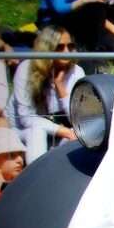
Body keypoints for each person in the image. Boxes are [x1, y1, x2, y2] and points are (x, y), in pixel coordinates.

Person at [8, 26, 80, 163]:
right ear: (48, 49)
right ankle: (36, 180)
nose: (67, 52)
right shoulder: (26, 69)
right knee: (37, 131)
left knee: (81, 134)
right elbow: (26, 118)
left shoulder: (77, 72)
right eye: (60, 47)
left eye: (70, 46)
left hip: (58, 132)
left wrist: (60, 86)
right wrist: (63, 131)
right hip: (23, 131)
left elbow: (77, 119)